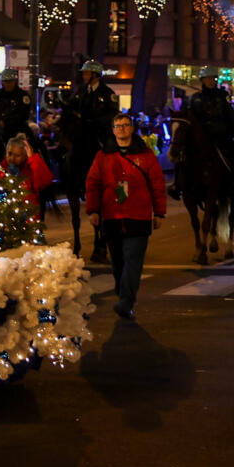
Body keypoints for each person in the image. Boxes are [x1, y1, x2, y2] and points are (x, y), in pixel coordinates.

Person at [84, 111, 167, 319]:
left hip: (137, 216)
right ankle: (124, 296)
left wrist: (159, 212)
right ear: (113, 130)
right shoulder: (103, 156)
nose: (122, 129)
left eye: (125, 125)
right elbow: (93, 184)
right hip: (112, 216)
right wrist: (93, 210)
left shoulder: (146, 155)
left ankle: (126, 301)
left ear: (131, 128)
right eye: (118, 126)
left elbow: (157, 184)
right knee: (118, 262)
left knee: (133, 259)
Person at [172, 66, 234, 199]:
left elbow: (231, 119)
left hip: (220, 137)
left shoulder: (223, 99)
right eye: (208, 79)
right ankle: (177, 185)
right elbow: (189, 117)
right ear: (203, 80)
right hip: (199, 136)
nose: (211, 81)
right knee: (181, 157)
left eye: (213, 79)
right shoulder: (195, 98)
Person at [0, 69, 34, 170]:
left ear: (15, 82)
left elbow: (23, 115)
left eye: (10, 81)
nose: (7, 84)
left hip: (17, 130)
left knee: (32, 145)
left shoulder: (23, 96)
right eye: (5, 81)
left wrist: (6, 122)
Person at [0, 132, 53, 210]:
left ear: (25, 156)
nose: (12, 159)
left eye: (17, 156)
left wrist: (33, 158)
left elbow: (45, 182)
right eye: (9, 154)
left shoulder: (31, 172)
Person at [68, 59, 120, 147]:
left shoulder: (107, 93)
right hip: (82, 131)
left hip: (101, 133)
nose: (84, 76)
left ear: (95, 74)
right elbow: (73, 105)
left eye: (86, 73)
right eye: (83, 73)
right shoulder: (81, 90)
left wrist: (96, 122)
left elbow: (112, 113)